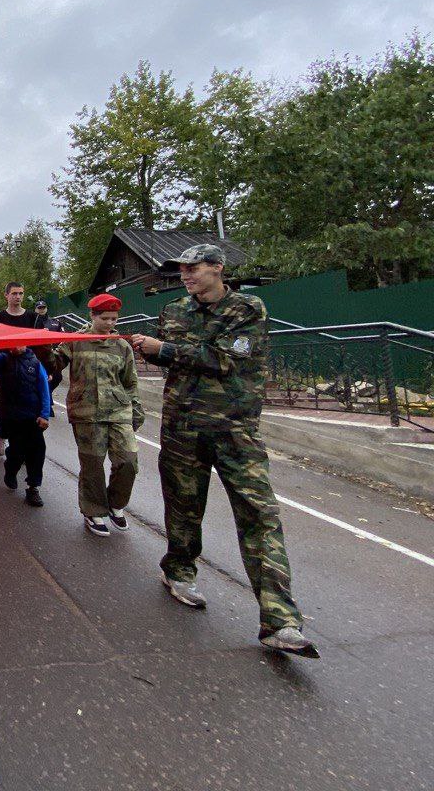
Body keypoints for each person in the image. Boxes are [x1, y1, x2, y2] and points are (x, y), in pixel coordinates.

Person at [130, 244, 318, 658]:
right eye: (181, 270)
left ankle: (280, 620)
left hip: (235, 433)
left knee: (259, 516)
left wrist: (163, 349)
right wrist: (149, 351)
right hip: (182, 430)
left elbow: (228, 359)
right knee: (182, 509)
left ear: (217, 268)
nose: (185, 275)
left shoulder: (247, 309)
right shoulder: (174, 311)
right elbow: (178, 362)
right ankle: (178, 571)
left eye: (193, 268)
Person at [52, 294, 143, 537]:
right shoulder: (75, 341)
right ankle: (94, 511)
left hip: (118, 411)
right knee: (92, 465)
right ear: (92, 316)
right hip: (86, 412)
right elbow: (53, 365)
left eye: (114, 318)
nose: (110, 323)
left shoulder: (121, 346)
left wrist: (136, 410)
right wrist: (41, 348)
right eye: (105, 318)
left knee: (128, 462)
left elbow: (130, 382)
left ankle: (115, 504)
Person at [0, 345, 51, 507]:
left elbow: (44, 390)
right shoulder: (4, 360)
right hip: (13, 417)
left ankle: (33, 487)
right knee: (17, 451)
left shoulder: (35, 363)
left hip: (33, 418)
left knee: (37, 451)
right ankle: (11, 470)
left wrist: (44, 414)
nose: (17, 346)